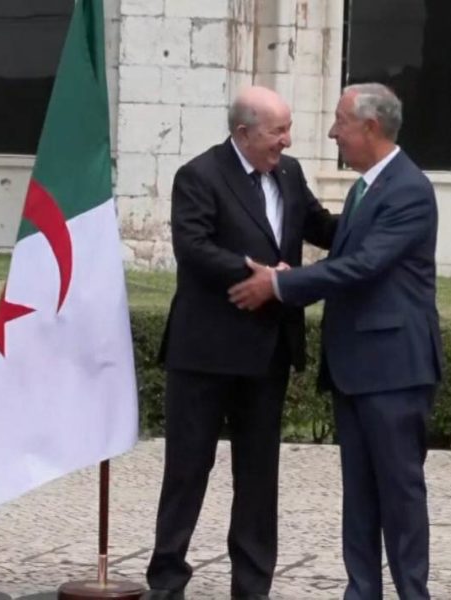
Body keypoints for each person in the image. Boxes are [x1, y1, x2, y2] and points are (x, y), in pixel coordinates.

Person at [228, 83, 443, 600]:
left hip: (394, 370)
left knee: (400, 496)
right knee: (360, 498)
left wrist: (280, 285)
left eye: (340, 123)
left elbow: (363, 266)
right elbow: (346, 253)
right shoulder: (365, 187)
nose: (332, 133)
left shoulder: (409, 189)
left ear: (370, 127)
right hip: (357, 369)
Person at [143, 86, 338, 600]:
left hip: (268, 352)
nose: (287, 140)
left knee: (258, 478)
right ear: (243, 132)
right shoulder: (199, 175)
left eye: (287, 129)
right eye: (278, 131)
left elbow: (321, 226)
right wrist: (257, 273)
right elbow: (193, 247)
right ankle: (167, 582)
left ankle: (252, 587)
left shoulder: (290, 173)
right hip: (205, 353)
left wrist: (376, 215)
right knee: (187, 471)